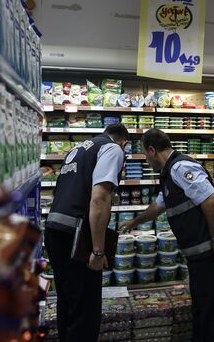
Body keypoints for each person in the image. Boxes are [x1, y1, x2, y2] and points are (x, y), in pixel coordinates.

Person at [120, 128, 214, 342]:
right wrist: (134, 222)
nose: (146, 160)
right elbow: (158, 206)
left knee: (213, 310)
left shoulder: (180, 167)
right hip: (201, 253)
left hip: (213, 251)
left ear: (152, 150)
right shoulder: (169, 174)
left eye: (145, 154)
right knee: (203, 306)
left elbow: (209, 198)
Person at [44, 124, 129, 342]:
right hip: (77, 237)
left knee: (68, 303)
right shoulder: (113, 149)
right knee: (85, 312)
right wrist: (98, 251)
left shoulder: (80, 148)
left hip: (55, 230)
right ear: (124, 143)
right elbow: (100, 198)